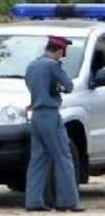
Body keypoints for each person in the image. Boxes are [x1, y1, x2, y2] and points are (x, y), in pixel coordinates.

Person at [24, 35, 84, 212]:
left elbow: (31, 85)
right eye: (63, 53)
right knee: (63, 157)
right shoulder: (53, 65)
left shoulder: (32, 65)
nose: (62, 56)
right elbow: (69, 85)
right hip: (50, 115)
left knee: (37, 160)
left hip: (36, 115)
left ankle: (33, 201)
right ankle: (68, 201)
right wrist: (58, 89)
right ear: (59, 50)